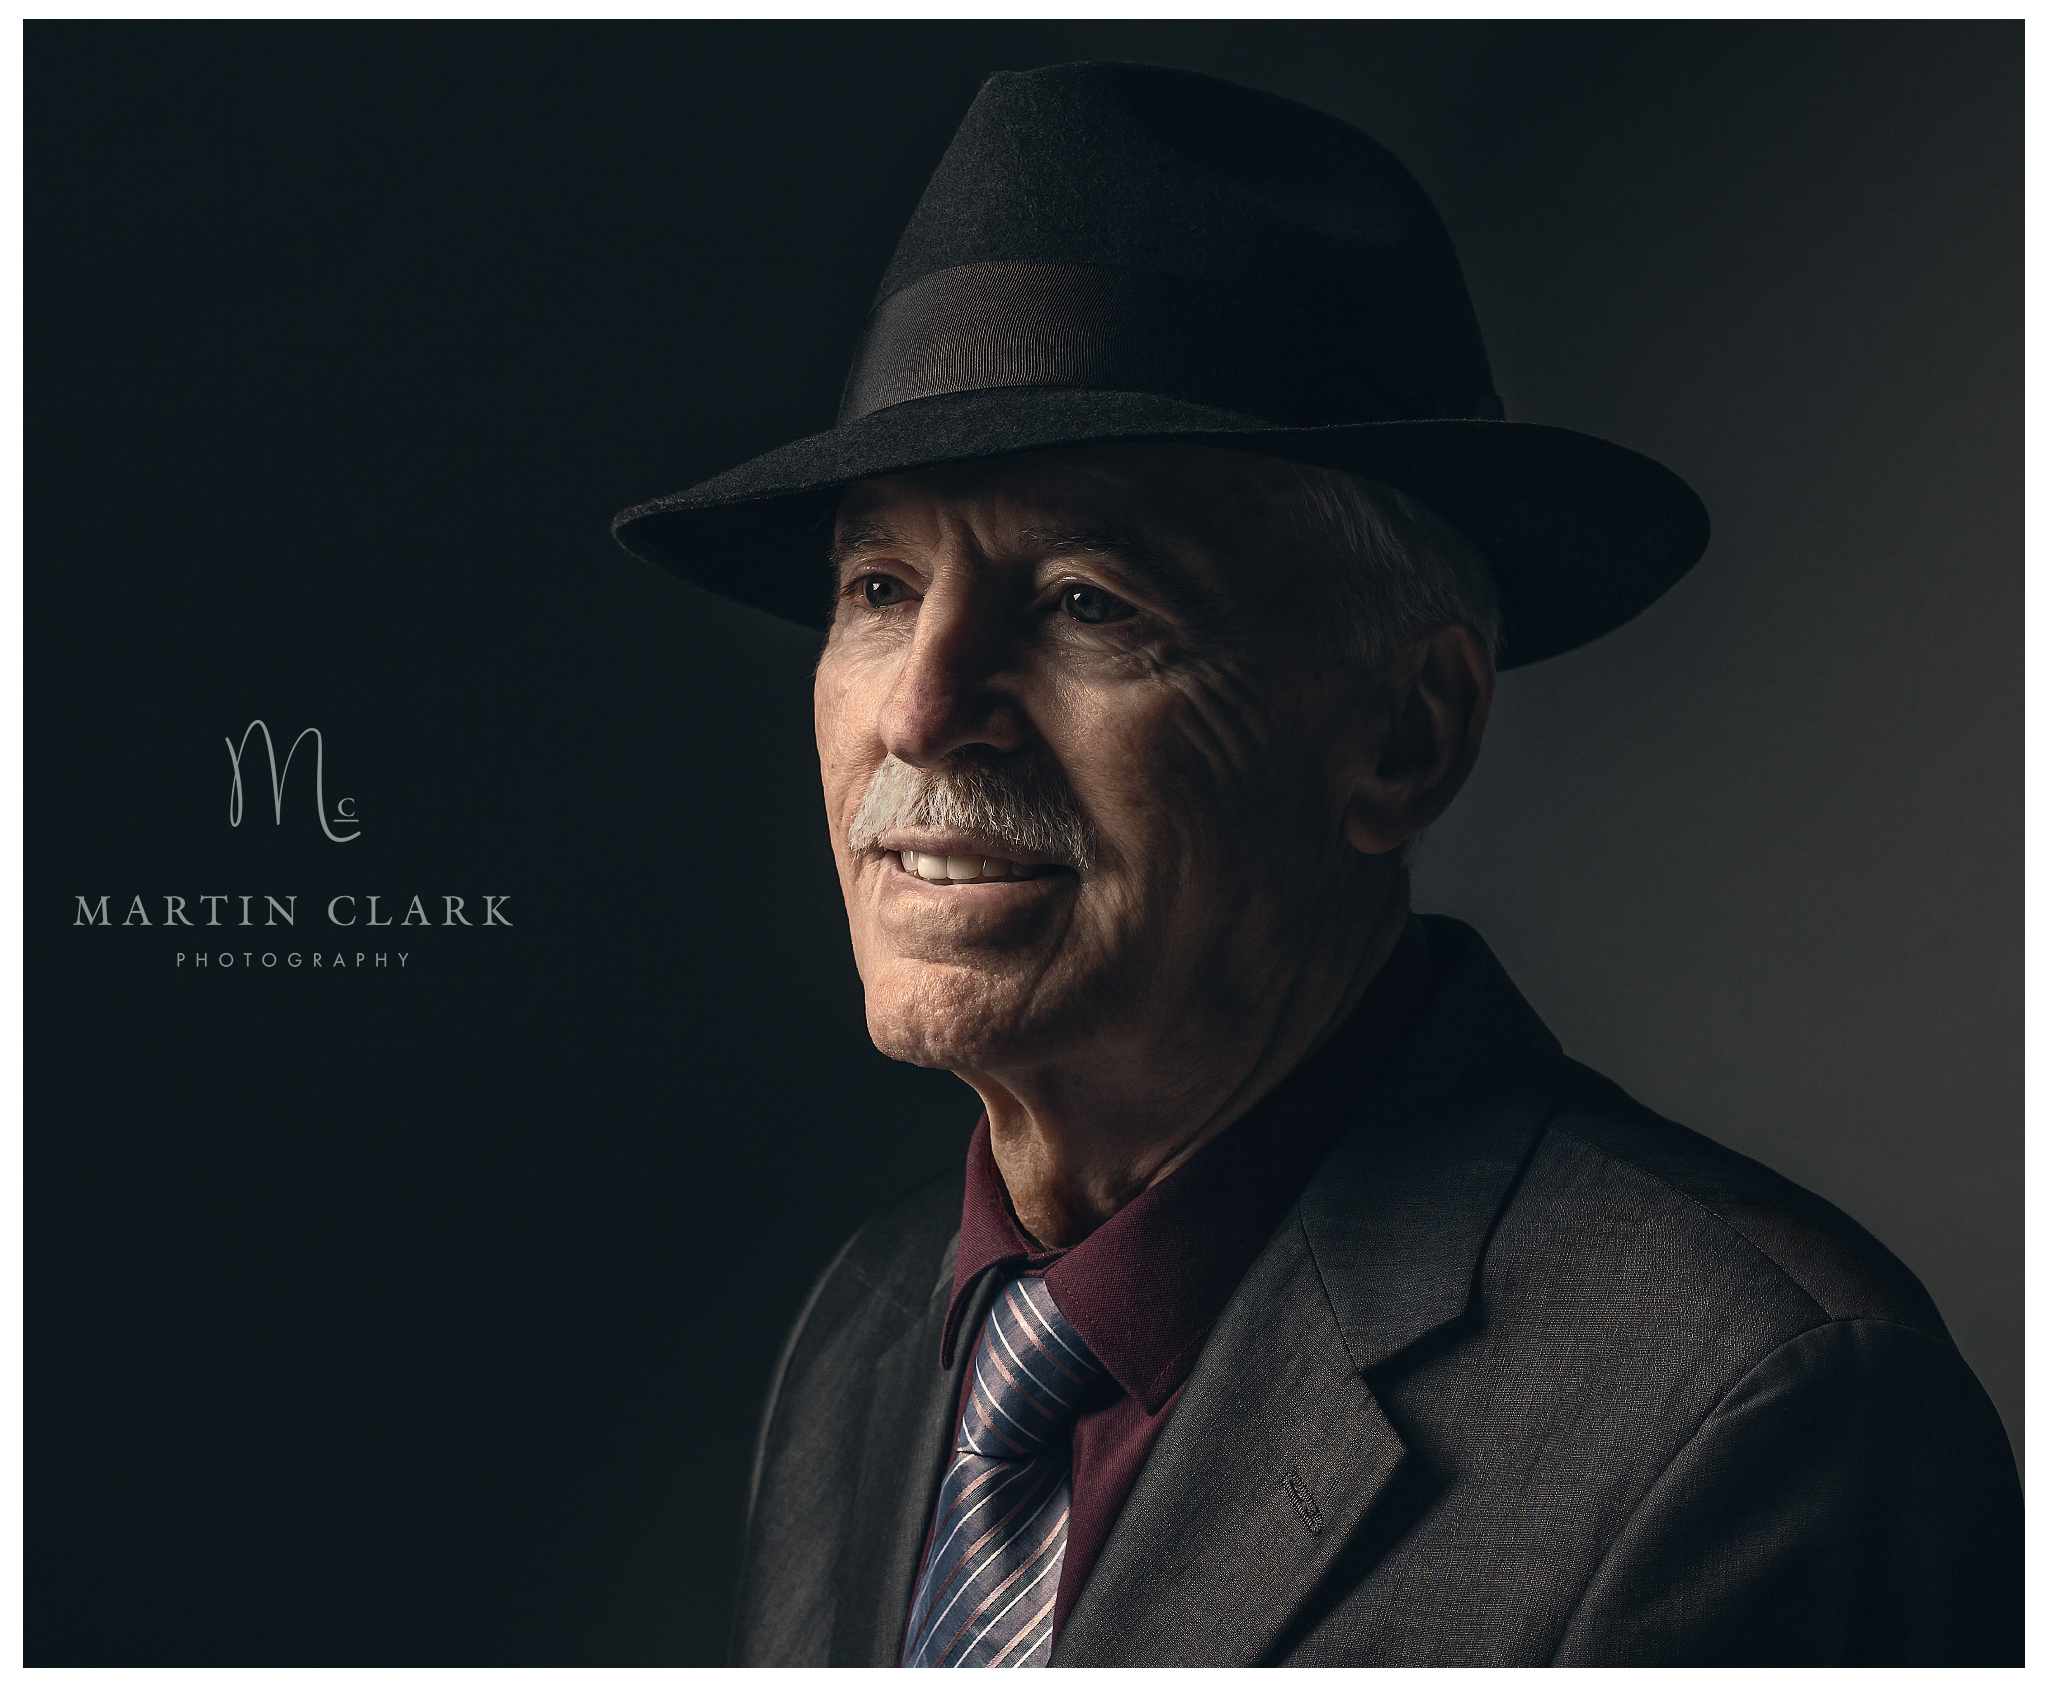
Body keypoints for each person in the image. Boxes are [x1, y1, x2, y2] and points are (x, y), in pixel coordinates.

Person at [612, 61, 2020, 1668]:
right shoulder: (865, 1337)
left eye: (1086, 602)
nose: (924, 711)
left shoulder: (1749, 1414)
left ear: (1407, 734)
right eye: (878, 588)